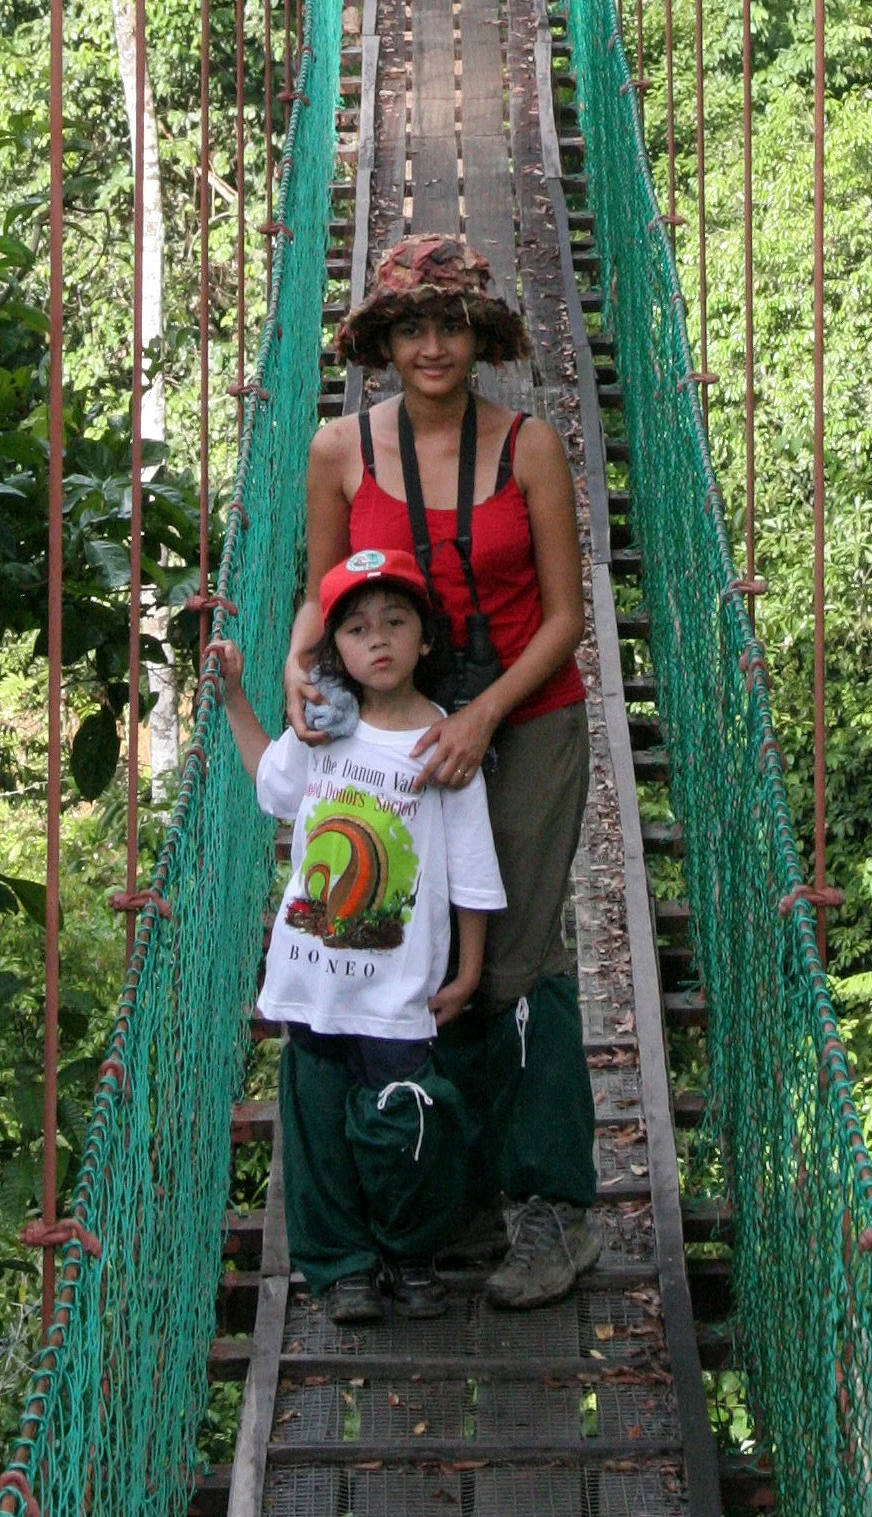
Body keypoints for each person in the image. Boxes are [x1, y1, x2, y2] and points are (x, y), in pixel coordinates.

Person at [284, 234, 599, 1308]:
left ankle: (553, 1206)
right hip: (392, 732)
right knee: (407, 949)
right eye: (411, 327)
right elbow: (322, 593)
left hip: (526, 721)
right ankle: (448, 1189)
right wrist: (294, 666)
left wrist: (484, 714)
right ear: (381, 342)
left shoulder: (528, 447)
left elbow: (565, 618)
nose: (432, 347)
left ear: (480, 338)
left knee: (514, 957)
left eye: (451, 326)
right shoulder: (338, 450)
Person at [216, 545, 505, 1325]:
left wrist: (468, 970)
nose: (376, 638)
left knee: (407, 1119)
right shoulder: (321, 732)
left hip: (398, 988)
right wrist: (236, 695)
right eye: (355, 627)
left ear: (425, 637)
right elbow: (270, 786)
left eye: (394, 621)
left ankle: (408, 1253)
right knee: (317, 1132)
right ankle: (340, 1267)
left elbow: (473, 868)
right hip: (309, 979)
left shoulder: (445, 741)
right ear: (333, 651)